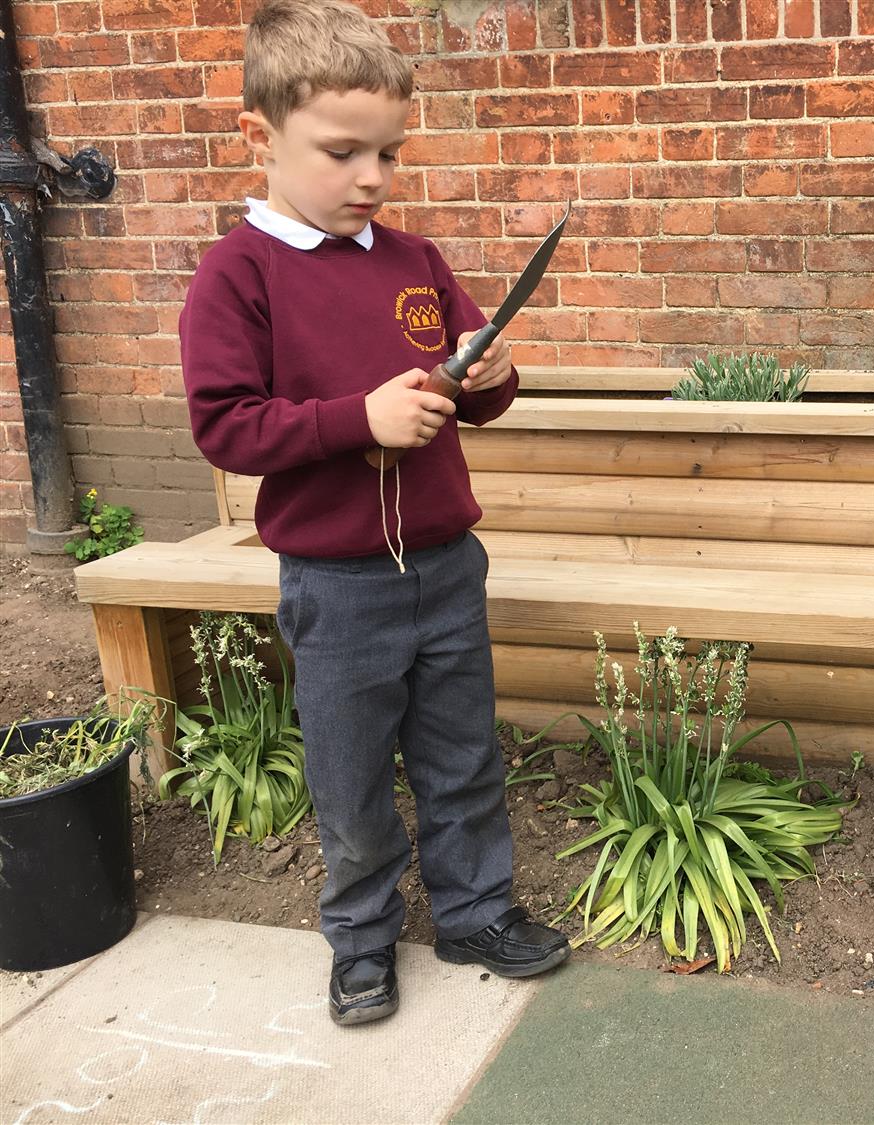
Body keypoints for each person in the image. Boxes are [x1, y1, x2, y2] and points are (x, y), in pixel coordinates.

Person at [178, 0, 569, 1026]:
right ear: (258, 135)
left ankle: (477, 910)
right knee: (350, 778)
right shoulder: (237, 277)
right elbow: (228, 427)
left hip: (445, 565)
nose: (371, 179)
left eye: (388, 155)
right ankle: (361, 937)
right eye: (342, 152)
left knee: (463, 756)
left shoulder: (416, 261)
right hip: (339, 583)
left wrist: (491, 376)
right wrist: (360, 419)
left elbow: (469, 380)